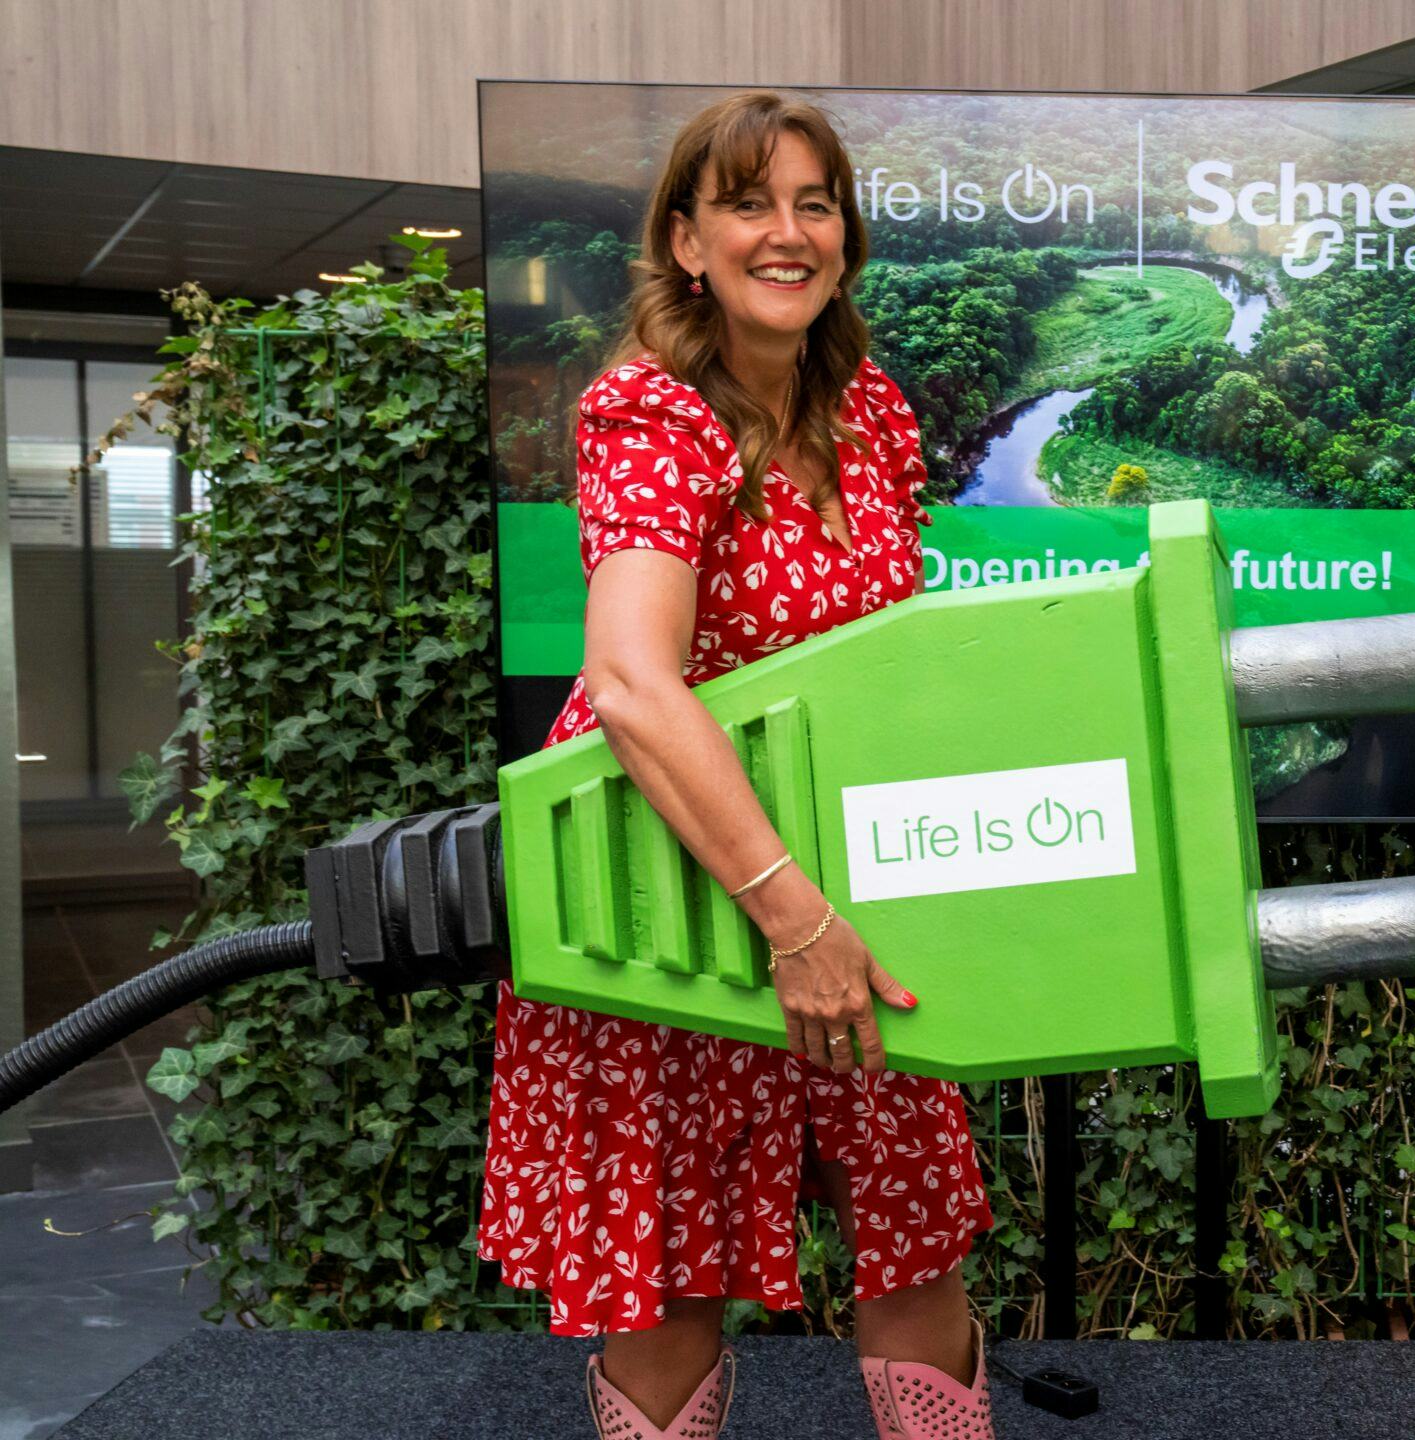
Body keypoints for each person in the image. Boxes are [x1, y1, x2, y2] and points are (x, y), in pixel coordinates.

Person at [475, 92, 996, 1440]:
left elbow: (890, 657)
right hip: (668, 884)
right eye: (751, 203)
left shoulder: (870, 409)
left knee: (917, 1227)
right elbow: (638, 688)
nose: (788, 232)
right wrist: (790, 915)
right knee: (670, 1284)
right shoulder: (649, 413)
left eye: (815, 203)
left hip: (840, 876)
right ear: (687, 242)